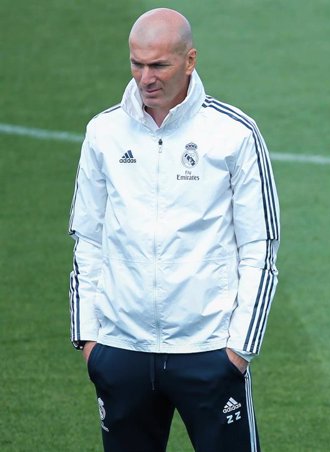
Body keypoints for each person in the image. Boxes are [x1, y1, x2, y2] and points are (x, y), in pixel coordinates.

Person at [68, 8, 280, 452]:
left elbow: (260, 248)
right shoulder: (103, 132)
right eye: (136, 63)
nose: (146, 77)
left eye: (159, 64)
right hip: (121, 350)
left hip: (209, 352)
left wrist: (238, 351)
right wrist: (91, 342)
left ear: (190, 60)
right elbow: (87, 239)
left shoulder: (234, 134)